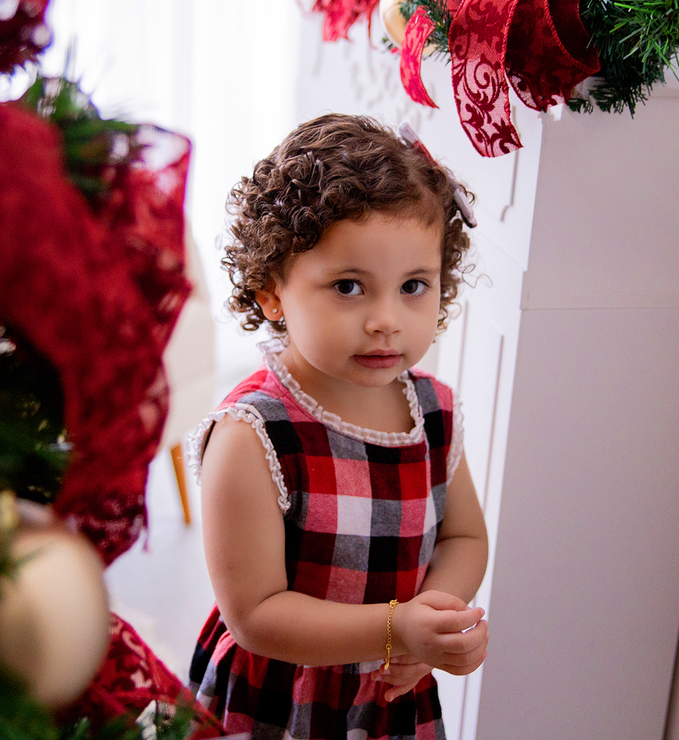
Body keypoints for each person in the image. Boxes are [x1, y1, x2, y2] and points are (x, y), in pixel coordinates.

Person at [186, 114, 489, 740]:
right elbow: (256, 615)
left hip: (387, 696)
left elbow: (464, 538)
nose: (386, 319)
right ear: (273, 292)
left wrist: (433, 622)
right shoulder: (254, 435)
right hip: (282, 701)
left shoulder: (433, 412)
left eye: (413, 286)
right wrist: (394, 628)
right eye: (349, 286)